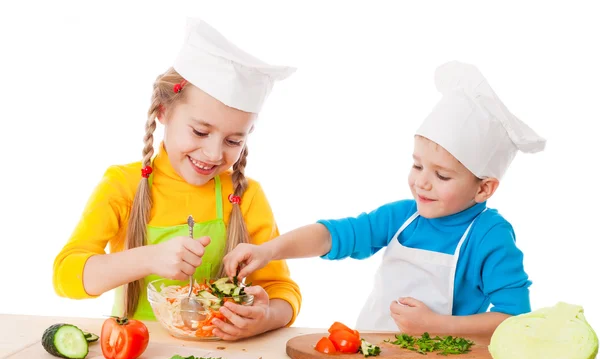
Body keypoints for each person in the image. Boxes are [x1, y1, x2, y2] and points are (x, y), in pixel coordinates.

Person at [223, 61, 546, 336]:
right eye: (417, 165)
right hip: (374, 355)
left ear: (484, 188)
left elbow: (513, 318)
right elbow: (333, 235)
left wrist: (435, 325)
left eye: (442, 176)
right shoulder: (403, 217)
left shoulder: (490, 236)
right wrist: (268, 250)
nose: (422, 182)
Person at [53, 18, 302, 341]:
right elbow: (66, 276)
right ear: (163, 112)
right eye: (200, 131)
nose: (214, 154)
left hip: (219, 357)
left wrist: (265, 317)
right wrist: (149, 258)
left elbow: (282, 289)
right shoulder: (123, 184)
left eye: (233, 141)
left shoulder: (247, 195)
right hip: (136, 356)